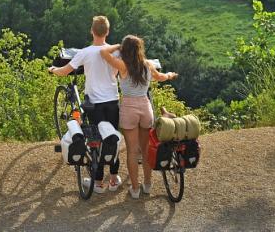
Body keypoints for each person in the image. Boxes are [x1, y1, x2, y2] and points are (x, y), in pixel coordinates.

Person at [48, 15, 122, 193]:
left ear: (92, 31)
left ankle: (97, 183)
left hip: (94, 103)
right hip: (112, 101)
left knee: (96, 139)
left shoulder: (85, 52)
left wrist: (52, 70)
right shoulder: (116, 52)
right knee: (112, 139)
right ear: (108, 32)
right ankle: (113, 178)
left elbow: (65, 71)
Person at [100, 35, 178, 199]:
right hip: (145, 107)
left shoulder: (123, 66)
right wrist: (170, 74)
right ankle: (147, 185)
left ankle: (135, 189)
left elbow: (103, 53)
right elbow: (162, 77)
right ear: (139, 50)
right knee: (146, 149)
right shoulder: (148, 65)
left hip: (129, 108)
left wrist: (117, 47)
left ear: (125, 50)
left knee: (132, 152)